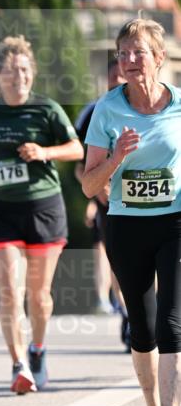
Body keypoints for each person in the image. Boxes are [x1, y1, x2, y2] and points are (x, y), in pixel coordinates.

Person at [83, 17, 181, 406]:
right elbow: (88, 185)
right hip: (126, 225)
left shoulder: (180, 106)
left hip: (175, 222)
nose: (129, 61)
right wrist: (117, 158)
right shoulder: (107, 109)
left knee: (172, 324)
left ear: (159, 57)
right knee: (141, 332)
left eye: (137, 52)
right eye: (123, 54)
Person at [0, 36, 83, 393]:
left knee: (39, 295)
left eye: (23, 69)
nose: (18, 76)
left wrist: (44, 151)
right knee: (8, 290)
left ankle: (38, 349)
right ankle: (18, 364)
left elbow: (77, 148)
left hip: (43, 207)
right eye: (10, 71)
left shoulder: (47, 109)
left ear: (31, 73)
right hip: (2, 210)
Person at [74, 60, 130, 348]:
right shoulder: (93, 112)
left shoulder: (155, 107)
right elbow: (79, 166)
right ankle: (129, 313)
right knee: (119, 261)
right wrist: (96, 194)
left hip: (147, 199)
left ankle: (146, 310)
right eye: (112, 76)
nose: (117, 80)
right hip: (108, 201)